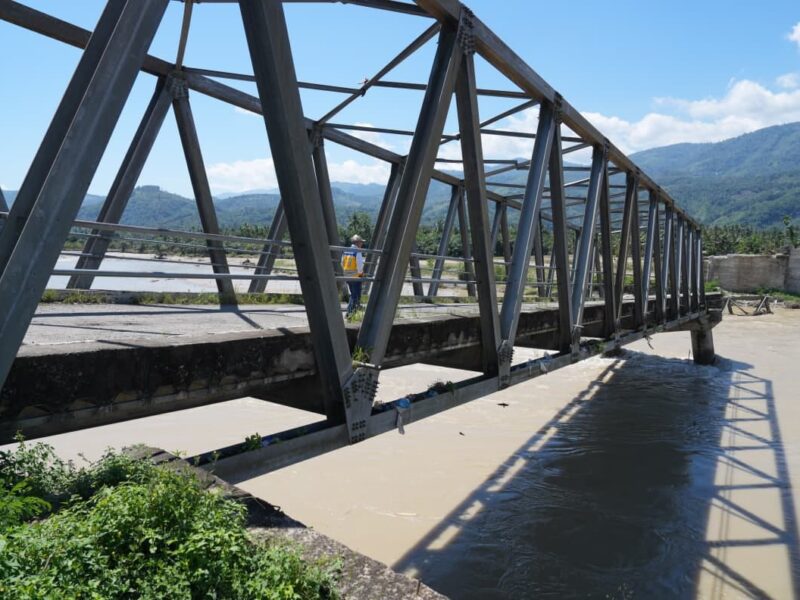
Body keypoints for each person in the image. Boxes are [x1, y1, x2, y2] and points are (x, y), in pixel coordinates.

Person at [342, 234, 365, 317]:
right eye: (361, 242)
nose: (362, 244)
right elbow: (359, 265)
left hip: (347, 275)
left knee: (353, 294)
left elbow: (342, 262)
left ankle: (352, 311)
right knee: (355, 295)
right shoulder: (357, 251)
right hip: (355, 276)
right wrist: (361, 275)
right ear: (357, 243)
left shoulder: (346, 250)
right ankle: (349, 313)